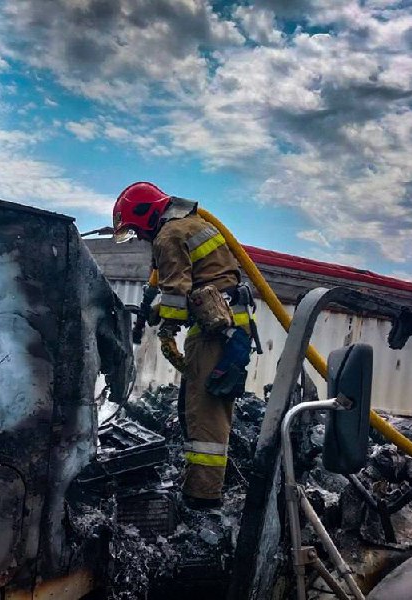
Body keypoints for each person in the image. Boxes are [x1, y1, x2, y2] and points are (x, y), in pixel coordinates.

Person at [112, 181, 252, 510]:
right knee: (196, 410)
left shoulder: (168, 235)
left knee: (205, 416)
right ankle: (205, 485)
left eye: (136, 229)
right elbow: (199, 284)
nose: (140, 238)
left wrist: (165, 332)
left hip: (216, 332)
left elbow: (176, 289)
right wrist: (162, 311)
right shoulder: (191, 225)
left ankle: (202, 500)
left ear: (146, 217)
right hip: (228, 328)